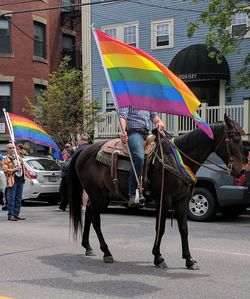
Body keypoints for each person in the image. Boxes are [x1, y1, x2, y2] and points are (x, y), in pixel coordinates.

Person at [118, 107, 165, 207]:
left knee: (165, 149)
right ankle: (132, 193)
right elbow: (123, 117)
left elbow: (155, 117)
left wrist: (160, 122)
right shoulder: (128, 98)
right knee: (139, 157)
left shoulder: (146, 100)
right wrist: (122, 131)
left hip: (148, 133)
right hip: (134, 133)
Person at [2, 143, 34, 221]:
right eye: (10, 148)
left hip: (20, 180)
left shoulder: (18, 158)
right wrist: (15, 169)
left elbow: (24, 169)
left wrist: (30, 178)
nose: (12, 149)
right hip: (12, 181)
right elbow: (5, 170)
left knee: (18, 198)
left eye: (13, 148)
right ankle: (11, 215)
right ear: (7, 150)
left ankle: (16, 214)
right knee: (11, 198)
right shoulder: (5, 159)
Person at [55, 147, 75, 212]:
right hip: (65, 177)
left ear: (69, 153)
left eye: (65, 153)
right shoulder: (67, 159)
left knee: (64, 192)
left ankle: (62, 207)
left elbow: (67, 166)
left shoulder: (71, 159)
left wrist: (61, 163)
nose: (64, 154)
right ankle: (63, 206)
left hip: (67, 178)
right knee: (63, 192)